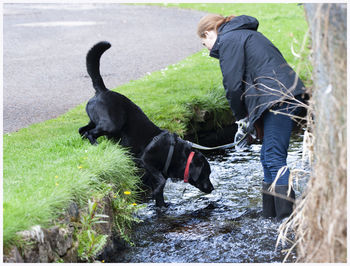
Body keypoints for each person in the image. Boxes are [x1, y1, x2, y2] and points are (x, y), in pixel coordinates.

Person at [197, 14, 308, 220]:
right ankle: (270, 217)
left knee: (274, 157)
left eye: (205, 44)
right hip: (280, 96)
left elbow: (232, 85)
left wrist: (241, 119)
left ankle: (286, 220)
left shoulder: (229, 39)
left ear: (207, 33)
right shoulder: (242, 34)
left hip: (279, 99)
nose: (209, 49)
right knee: (267, 157)